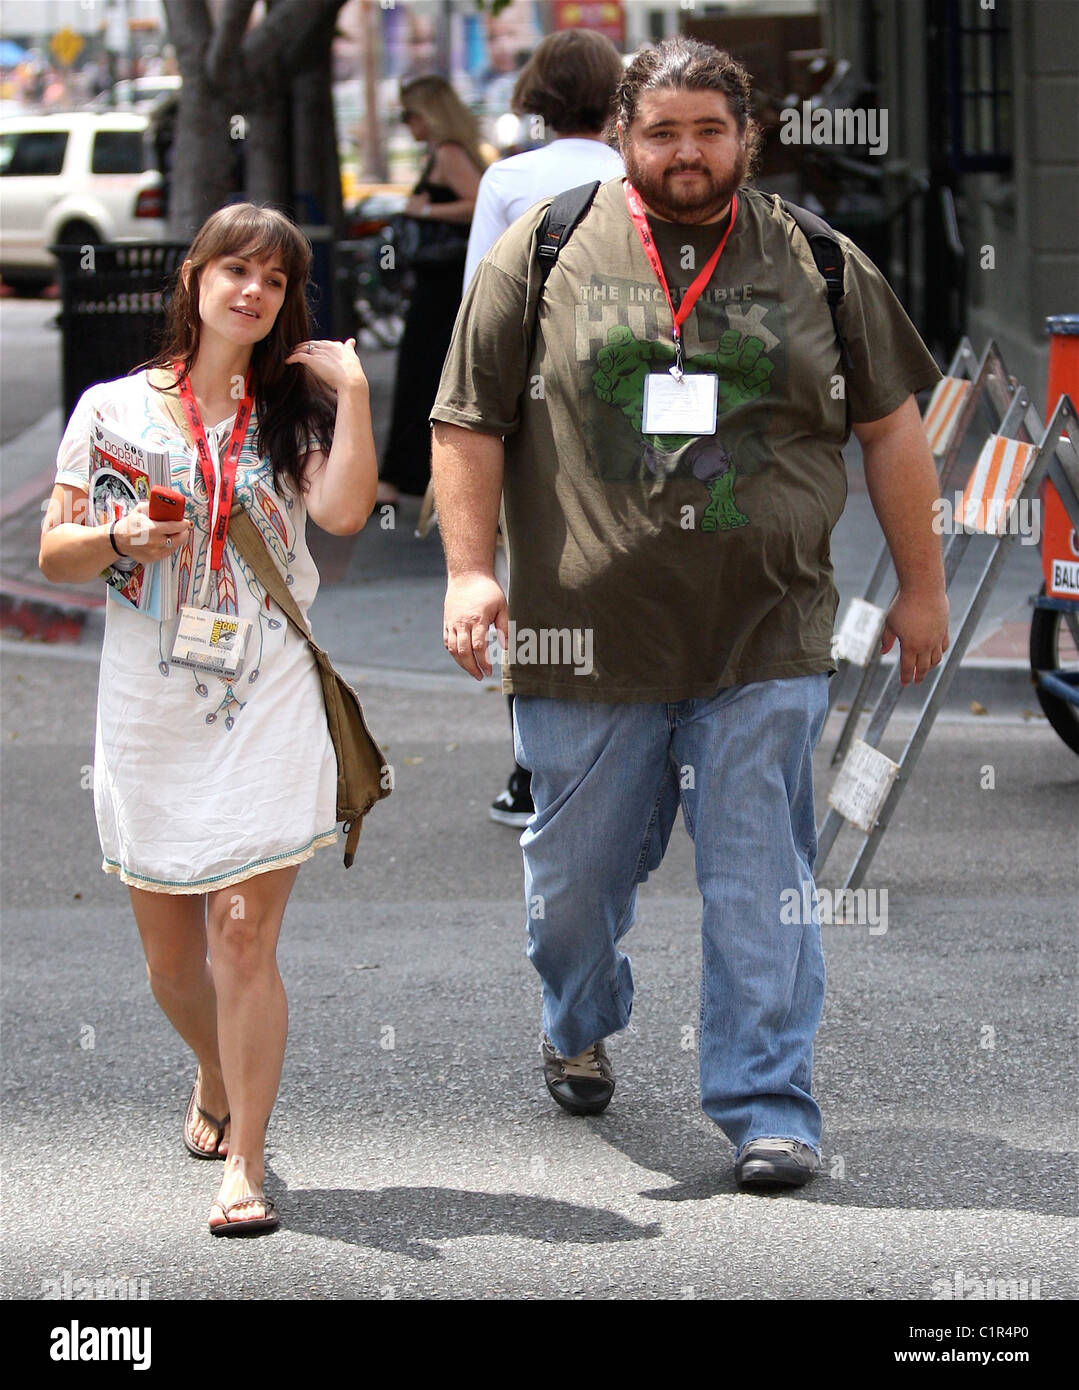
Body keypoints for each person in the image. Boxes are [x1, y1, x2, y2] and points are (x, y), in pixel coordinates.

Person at [430, 38, 949, 1190]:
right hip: (582, 637)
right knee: (572, 890)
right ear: (623, 135)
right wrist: (470, 573)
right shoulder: (547, 247)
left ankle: (769, 1104)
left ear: (745, 137)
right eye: (661, 131)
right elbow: (466, 421)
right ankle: (579, 1012)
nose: (684, 153)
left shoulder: (817, 259)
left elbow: (890, 430)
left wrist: (920, 586)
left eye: (707, 131)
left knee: (759, 882)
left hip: (762, 631)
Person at [39, 202, 378, 1234]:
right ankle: (212, 1069)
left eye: (274, 281)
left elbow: (346, 514)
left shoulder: (297, 410)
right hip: (150, 699)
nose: (252, 292)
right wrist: (119, 536)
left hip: (266, 690)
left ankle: (247, 1159)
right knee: (172, 962)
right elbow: (57, 551)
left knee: (241, 933)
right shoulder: (111, 409)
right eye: (234, 270)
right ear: (192, 279)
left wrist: (354, 392)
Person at [462, 28, 626, 829]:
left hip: (534, 415)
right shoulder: (640, 173)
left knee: (532, 583)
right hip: (639, 409)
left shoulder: (508, 181)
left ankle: (534, 771)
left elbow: (479, 313)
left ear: (535, 96)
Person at [377, 76, 486, 505]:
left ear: (429, 114)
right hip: (441, 281)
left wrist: (425, 209)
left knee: (420, 376)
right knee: (425, 377)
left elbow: (479, 201)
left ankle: (402, 480)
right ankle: (411, 478)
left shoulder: (448, 152)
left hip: (441, 284)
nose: (407, 124)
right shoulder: (445, 152)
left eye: (410, 115)